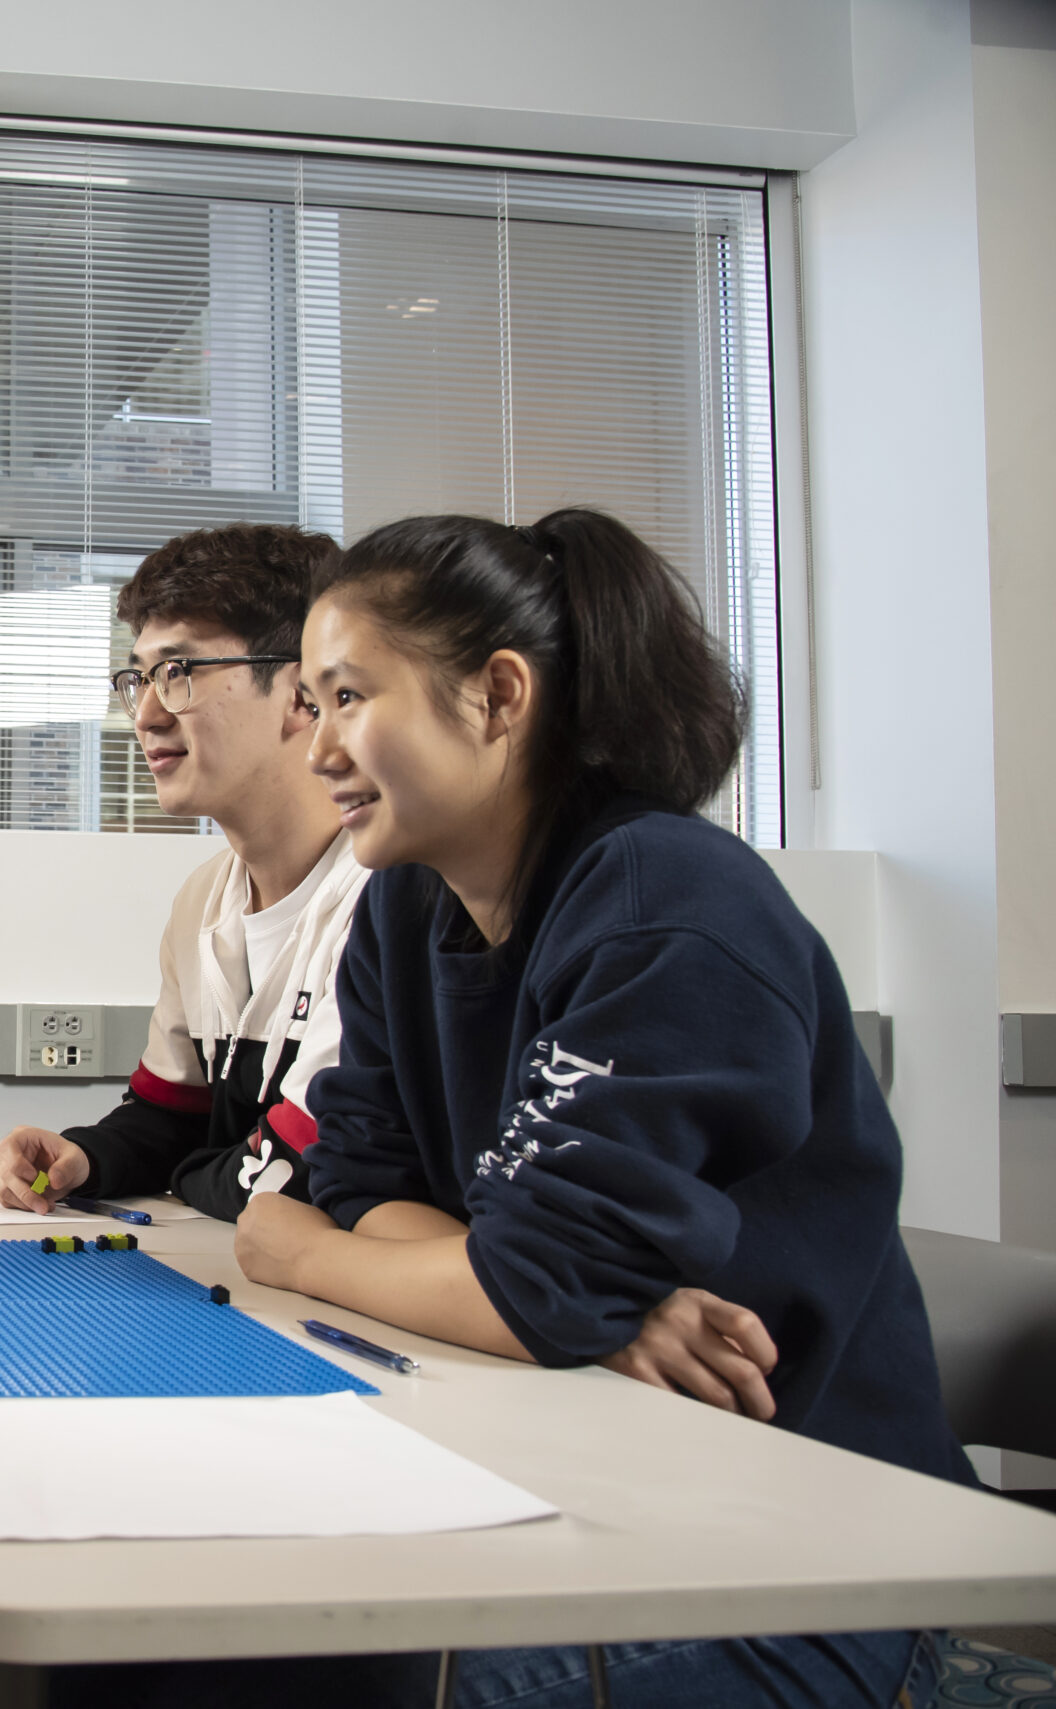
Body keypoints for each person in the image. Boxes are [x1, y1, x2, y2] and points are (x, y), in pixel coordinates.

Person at [62, 509, 962, 1708]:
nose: (316, 742)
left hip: (803, 1557)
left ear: (495, 694)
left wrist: (315, 1252)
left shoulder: (665, 901)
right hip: (575, 1475)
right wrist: (530, 1290)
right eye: (312, 702)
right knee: (128, 1648)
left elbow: (485, 1276)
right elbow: (368, 1190)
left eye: (345, 697)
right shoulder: (402, 909)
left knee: (293, 1681)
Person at [0, 524, 366, 1222]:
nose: (148, 714)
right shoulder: (203, 902)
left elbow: (303, 1171)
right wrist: (87, 1157)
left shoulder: (383, 897)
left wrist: (188, 1174)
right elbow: (169, 1118)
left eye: (181, 672)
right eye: (140, 677)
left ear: (303, 692)